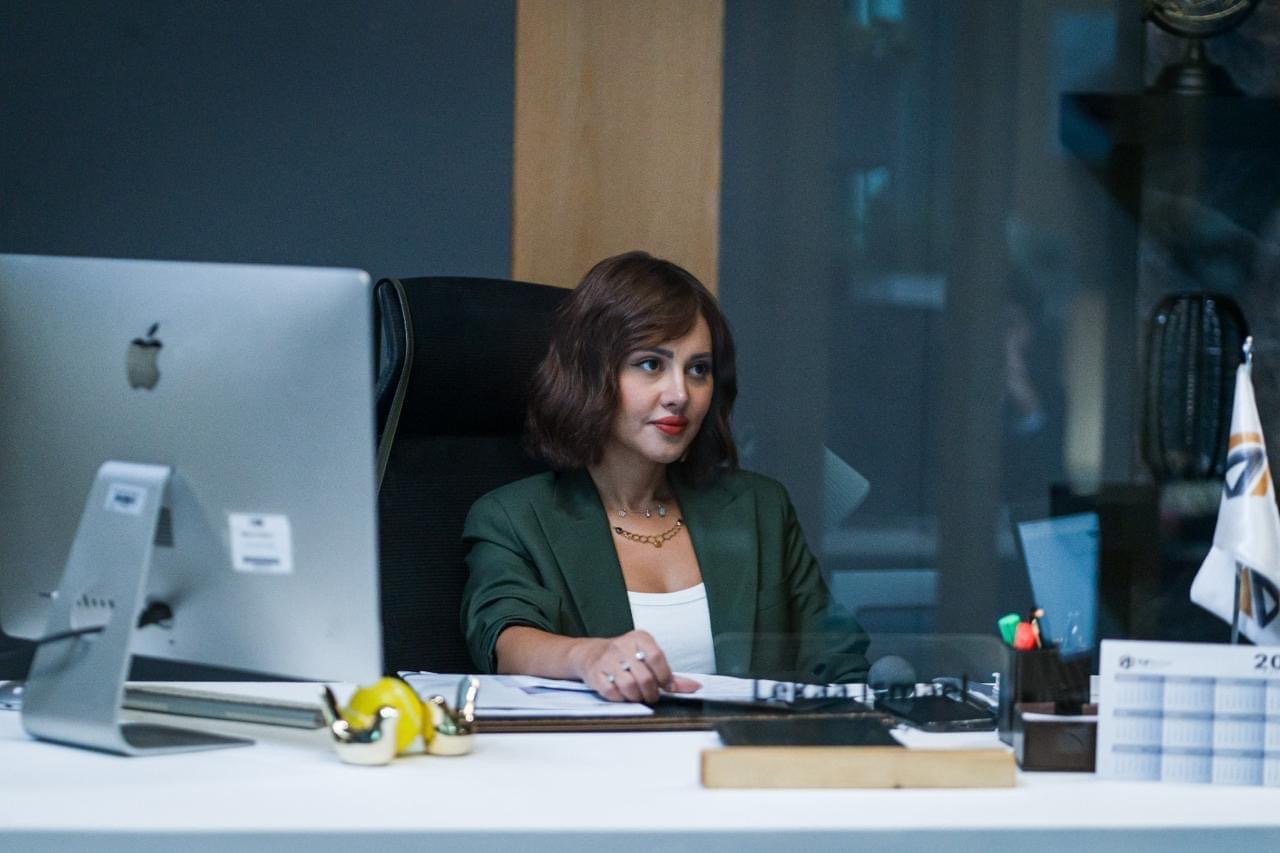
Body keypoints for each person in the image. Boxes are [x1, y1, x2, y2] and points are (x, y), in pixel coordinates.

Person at [460, 251, 868, 703]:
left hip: (747, 746)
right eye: (651, 364)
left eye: (698, 370)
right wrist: (587, 657)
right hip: (596, 748)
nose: (680, 395)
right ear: (591, 373)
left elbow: (840, 660)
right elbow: (504, 637)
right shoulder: (513, 517)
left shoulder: (761, 508)